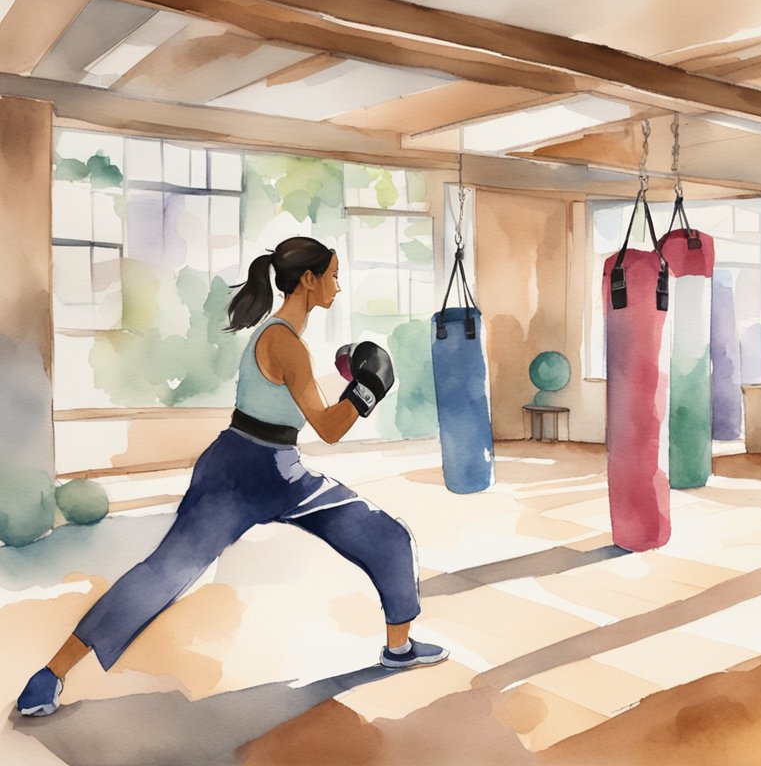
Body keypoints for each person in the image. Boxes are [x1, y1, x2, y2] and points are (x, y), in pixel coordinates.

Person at [18, 236, 446, 717]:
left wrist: (354, 388)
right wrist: (368, 389)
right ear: (309, 280)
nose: (338, 287)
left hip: (275, 468)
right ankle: (49, 674)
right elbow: (328, 428)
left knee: (385, 535)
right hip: (244, 471)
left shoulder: (280, 335)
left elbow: (298, 417)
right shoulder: (285, 343)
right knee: (164, 574)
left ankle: (398, 649)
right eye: (333, 275)